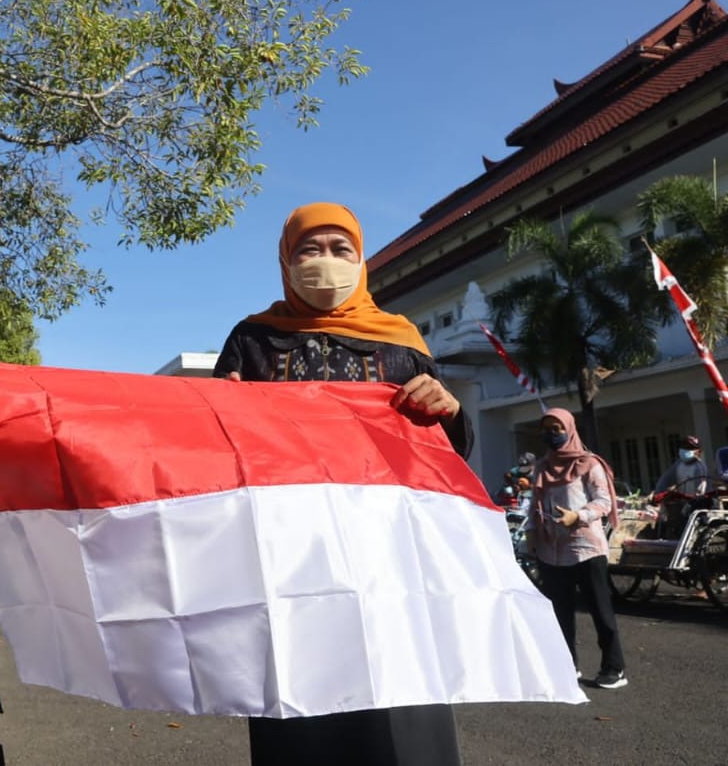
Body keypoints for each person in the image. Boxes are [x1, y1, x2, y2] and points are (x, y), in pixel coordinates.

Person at [213, 202, 471, 766]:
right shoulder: (253, 340)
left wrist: (448, 412)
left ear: (361, 260)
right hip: (289, 563)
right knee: (302, 712)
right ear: (285, 259)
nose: (326, 263)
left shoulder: (401, 342)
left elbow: (446, 463)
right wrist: (218, 413)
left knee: (401, 709)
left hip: (389, 562)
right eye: (310, 249)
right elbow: (216, 455)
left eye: (340, 250)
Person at [530, 408, 627, 689]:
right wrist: (531, 535)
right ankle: (566, 666)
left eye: (557, 428)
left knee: (600, 611)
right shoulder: (542, 467)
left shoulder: (589, 463)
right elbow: (533, 506)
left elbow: (604, 502)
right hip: (552, 551)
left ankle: (614, 668)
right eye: (547, 428)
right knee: (560, 613)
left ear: (570, 430)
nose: (551, 434)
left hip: (586, 548)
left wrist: (578, 516)